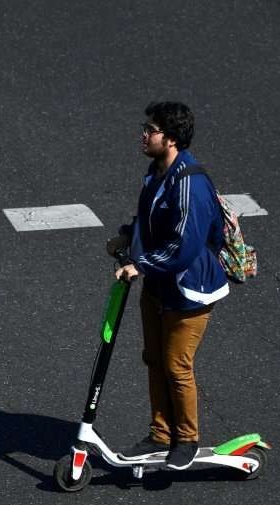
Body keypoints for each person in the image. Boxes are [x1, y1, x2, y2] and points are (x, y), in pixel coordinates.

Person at [109, 101, 229, 470]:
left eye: (151, 129)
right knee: (154, 360)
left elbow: (184, 246)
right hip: (161, 285)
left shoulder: (189, 184)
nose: (144, 135)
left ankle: (187, 439)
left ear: (171, 139)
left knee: (177, 366)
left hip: (189, 288)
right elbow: (150, 219)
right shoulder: (157, 171)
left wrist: (138, 264)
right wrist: (128, 237)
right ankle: (160, 435)